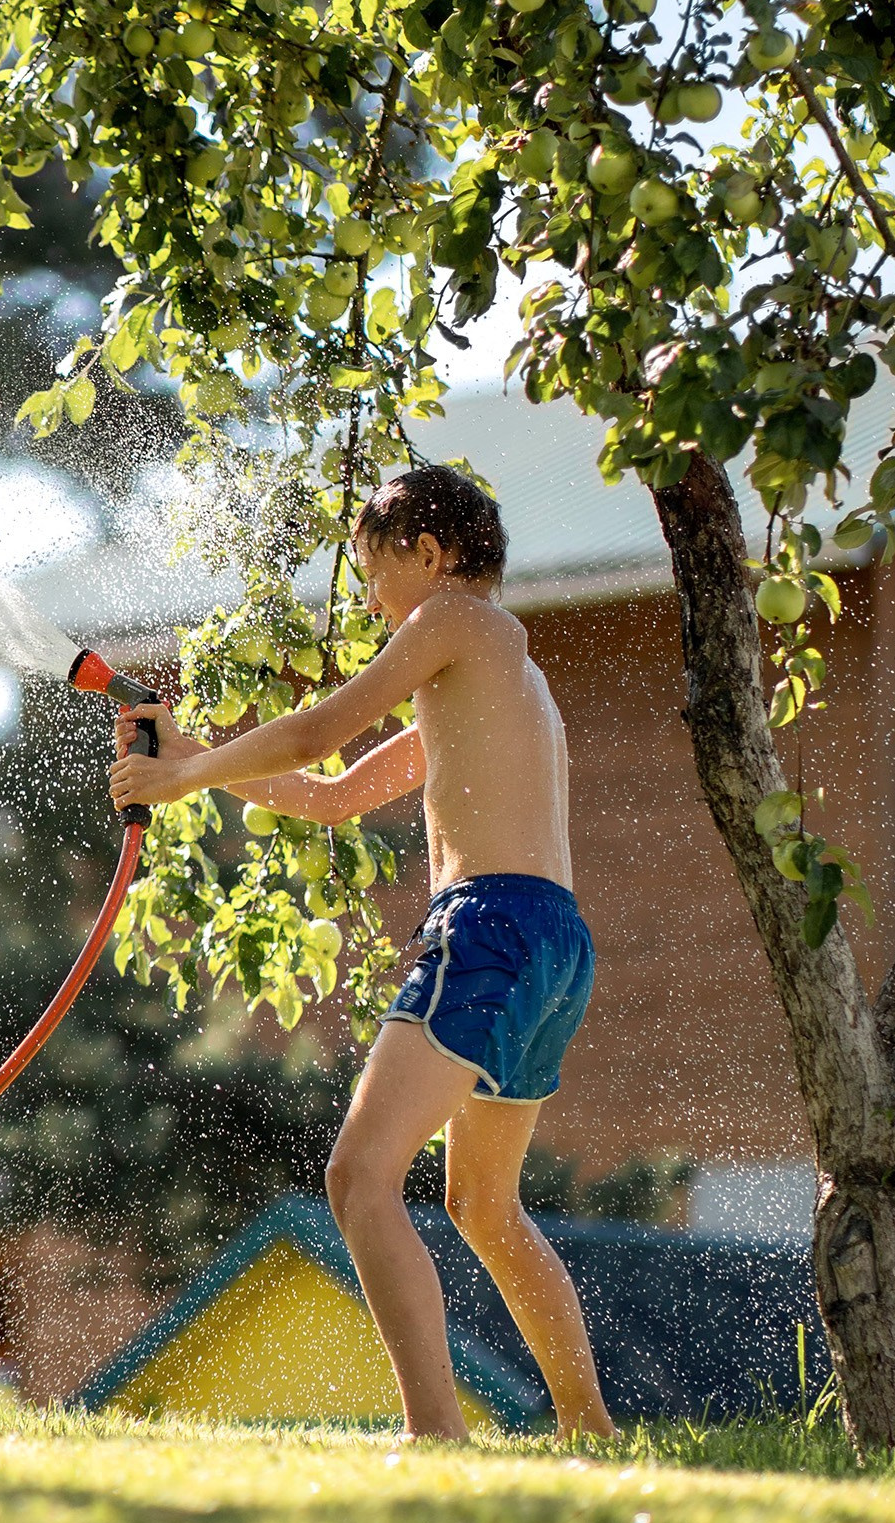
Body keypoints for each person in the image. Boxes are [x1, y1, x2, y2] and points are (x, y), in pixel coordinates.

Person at [109, 461, 613, 1443]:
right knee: (481, 1204)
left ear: (427, 555)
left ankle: (434, 1436)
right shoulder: (504, 675)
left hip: (489, 924)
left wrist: (181, 783)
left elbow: (323, 727)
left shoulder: (454, 623)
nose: (376, 603)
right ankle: (586, 1426)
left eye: (375, 575)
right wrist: (191, 764)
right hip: (553, 938)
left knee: (358, 1176)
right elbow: (331, 791)